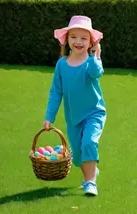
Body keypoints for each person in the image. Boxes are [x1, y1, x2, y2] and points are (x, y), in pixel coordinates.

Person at [43, 15, 106, 196]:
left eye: (84, 38)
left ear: (91, 42)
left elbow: (97, 73)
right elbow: (56, 92)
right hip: (73, 118)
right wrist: (49, 117)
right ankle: (90, 171)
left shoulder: (91, 62)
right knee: (77, 157)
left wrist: (96, 55)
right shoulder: (61, 64)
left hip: (94, 113)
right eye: (74, 37)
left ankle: (90, 182)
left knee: (89, 142)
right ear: (67, 40)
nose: (78, 41)